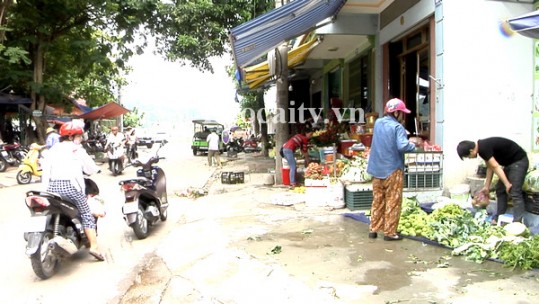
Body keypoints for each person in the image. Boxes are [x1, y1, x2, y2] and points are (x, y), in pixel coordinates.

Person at [41, 121, 104, 261]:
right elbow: (90, 168)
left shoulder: (52, 150)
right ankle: (94, 247)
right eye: (78, 136)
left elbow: (45, 171)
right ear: (71, 137)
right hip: (71, 188)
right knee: (87, 213)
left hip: (51, 189)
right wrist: (97, 169)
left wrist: (44, 190)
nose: (80, 139)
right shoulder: (77, 150)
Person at [367, 98, 417, 241]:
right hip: (392, 169)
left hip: (377, 169)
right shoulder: (398, 128)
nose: (403, 115)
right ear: (396, 113)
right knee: (393, 201)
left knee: (378, 200)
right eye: (401, 112)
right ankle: (389, 233)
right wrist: (413, 145)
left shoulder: (377, 123)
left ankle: (374, 229)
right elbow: (402, 146)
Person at [457, 137, 529, 224]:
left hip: (519, 161)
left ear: (471, 151)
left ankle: (518, 223)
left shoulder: (483, 148)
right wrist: (486, 187)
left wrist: (507, 184)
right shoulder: (482, 148)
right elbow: (490, 167)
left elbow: (495, 166)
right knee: (500, 189)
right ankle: (499, 217)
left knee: (514, 191)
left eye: (468, 156)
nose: (470, 158)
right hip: (509, 164)